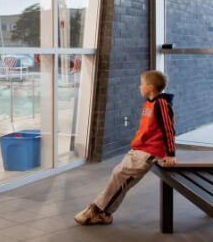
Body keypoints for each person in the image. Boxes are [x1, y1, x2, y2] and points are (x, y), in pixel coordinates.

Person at [74, 70, 176, 225]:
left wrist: (170, 153)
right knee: (118, 176)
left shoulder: (160, 104)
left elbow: (168, 129)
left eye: (141, 84)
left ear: (150, 87)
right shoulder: (149, 103)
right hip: (140, 148)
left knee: (120, 177)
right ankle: (104, 212)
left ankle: (99, 210)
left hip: (149, 151)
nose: (139, 87)